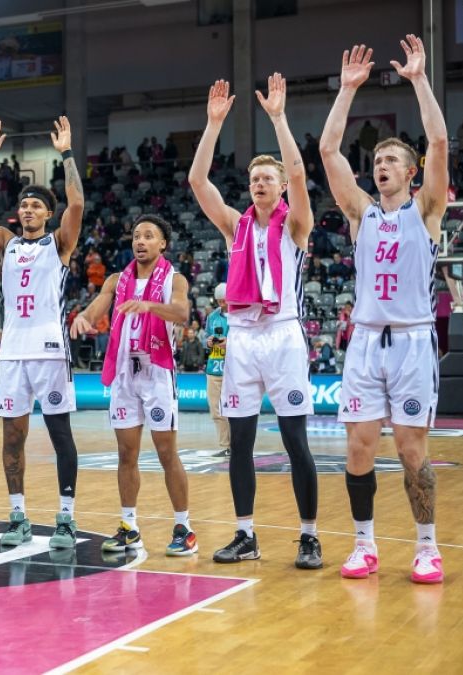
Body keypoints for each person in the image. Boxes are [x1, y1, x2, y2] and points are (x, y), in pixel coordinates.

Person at [319, 36, 448, 583]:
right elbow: (328, 152)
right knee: (359, 445)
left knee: (412, 450)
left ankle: (427, 547)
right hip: (367, 340)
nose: (380, 166)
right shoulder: (360, 214)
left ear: (412, 172)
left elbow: (439, 141)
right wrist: (347, 91)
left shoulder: (427, 209)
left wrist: (419, 81)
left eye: (391, 159)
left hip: (414, 340)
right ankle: (365, 544)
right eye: (376, 160)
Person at [188, 74, 322, 569]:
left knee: (295, 441)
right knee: (239, 443)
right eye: (253, 179)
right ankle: (246, 535)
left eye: (267, 177)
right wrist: (213, 124)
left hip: (283, 335)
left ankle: (309, 536)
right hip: (243, 338)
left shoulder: (296, 225)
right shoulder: (234, 226)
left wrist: (279, 118)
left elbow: (301, 174)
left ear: (280, 185)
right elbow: (198, 182)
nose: (259, 183)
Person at [0, 117, 84, 549]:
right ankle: (18, 515)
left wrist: (67, 153)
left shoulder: (60, 243)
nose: (28, 209)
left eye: (36, 205)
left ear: (47, 214)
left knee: (59, 435)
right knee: (11, 437)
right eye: (24, 205)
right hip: (13, 352)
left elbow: (76, 204)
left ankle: (66, 518)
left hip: (50, 351)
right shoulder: (7, 243)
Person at [71, 214, 196, 556]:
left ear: (163, 244)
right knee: (126, 454)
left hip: (157, 373)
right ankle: (130, 527)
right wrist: (84, 317)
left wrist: (151, 306)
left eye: (149, 236)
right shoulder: (117, 278)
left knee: (167, 453)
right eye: (137, 236)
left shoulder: (175, 279)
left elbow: (183, 314)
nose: (140, 241)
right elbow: (99, 307)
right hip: (126, 372)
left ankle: (184, 528)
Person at [205, 283, 231, 457]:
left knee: (236, 410)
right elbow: (207, 336)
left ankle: (239, 445)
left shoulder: (241, 315)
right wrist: (208, 341)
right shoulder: (212, 316)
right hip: (214, 366)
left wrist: (229, 342)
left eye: (224, 300)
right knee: (216, 409)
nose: (221, 303)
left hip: (235, 368)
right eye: (219, 301)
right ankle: (225, 446)